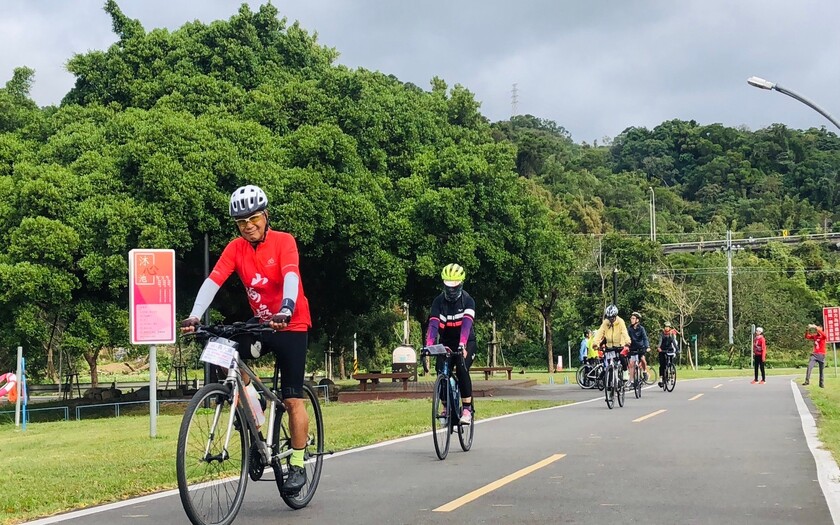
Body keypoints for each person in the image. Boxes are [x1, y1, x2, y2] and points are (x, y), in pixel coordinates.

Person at [180, 184, 312, 495]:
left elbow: (291, 275)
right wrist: (195, 315)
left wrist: (287, 307)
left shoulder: (284, 241)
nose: (248, 226)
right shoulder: (235, 248)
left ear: (266, 216)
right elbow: (214, 280)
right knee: (220, 352)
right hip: (262, 324)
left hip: (291, 324)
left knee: (292, 398)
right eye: (241, 222)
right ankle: (252, 411)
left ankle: (298, 462)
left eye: (253, 219)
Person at [425, 263, 476, 425]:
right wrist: (429, 345)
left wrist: (462, 344)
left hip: (466, 341)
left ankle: (467, 409)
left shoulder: (468, 301)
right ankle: (446, 406)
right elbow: (433, 325)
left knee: (461, 369)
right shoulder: (438, 302)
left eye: (454, 286)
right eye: (448, 286)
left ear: (461, 284)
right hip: (446, 342)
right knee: (441, 371)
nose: (451, 290)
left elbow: (466, 326)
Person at [593, 304, 631, 380]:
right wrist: (595, 343)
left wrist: (627, 342)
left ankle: (625, 372)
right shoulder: (605, 322)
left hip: (620, 344)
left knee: (621, 356)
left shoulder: (620, 321)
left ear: (616, 316)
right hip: (609, 346)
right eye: (609, 317)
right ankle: (608, 377)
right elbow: (600, 333)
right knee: (608, 362)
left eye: (613, 317)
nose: (611, 319)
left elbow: (624, 332)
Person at [626, 312, 650, 387]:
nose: (631, 320)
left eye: (633, 318)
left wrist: (647, 346)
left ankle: (645, 371)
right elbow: (626, 337)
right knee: (631, 364)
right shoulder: (629, 329)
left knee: (642, 359)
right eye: (631, 318)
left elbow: (645, 338)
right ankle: (632, 381)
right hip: (632, 348)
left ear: (637, 320)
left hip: (640, 348)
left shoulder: (641, 329)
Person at [803, 323, 828, 388]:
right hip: (814, 354)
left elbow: (823, 334)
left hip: (821, 355)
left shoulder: (823, 336)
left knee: (821, 370)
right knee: (809, 366)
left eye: (819, 329)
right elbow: (807, 336)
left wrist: (815, 327)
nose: (817, 330)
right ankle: (807, 381)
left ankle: (821, 384)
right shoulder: (815, 336)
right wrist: (807, 330)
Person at [657, 321, 679, 388]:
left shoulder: (671, 334)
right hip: (662, 350)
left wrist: (677, 349)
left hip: (669, 349)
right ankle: (661, 378)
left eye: (668, 327)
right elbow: (660, 341)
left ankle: (672, 375)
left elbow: (674, 342)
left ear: (669, 328)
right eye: (666, 327)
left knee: (671, 362)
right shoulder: (662, 334)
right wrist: (658, 347)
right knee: (662, 365)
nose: (667, 328)